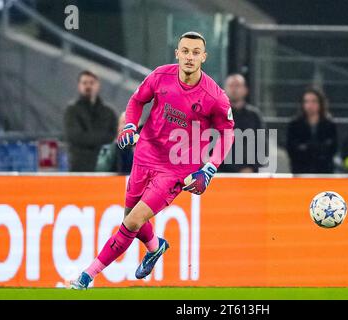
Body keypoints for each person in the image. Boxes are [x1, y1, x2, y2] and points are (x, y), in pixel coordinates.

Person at [70, 32, 235, 289]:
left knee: (132, 221)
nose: (189, 57)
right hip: (145, 154)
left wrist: (209, 169)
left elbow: (227, 133)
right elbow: (137, 101)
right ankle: (156, 247)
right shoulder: (160, 76)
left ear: (204, 57)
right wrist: (129, 127)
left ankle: (86, 276)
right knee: (130, 214)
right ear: (177, 53)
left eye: (195, 52)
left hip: (177, 168)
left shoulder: (214, 96)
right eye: (185, 51)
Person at [64, 70, 117, 172]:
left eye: (91, 83)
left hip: (105, 168)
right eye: (84, 83)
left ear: (98, 85)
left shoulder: (109, 112)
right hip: (79, 168)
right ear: (79, 86)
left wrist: (88, 138)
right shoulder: (72, 111)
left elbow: (112, 138)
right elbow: (75, 137)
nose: (88, 86)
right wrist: (101, 138)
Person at [219, 74, 266, 173]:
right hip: (221, 174)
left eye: (237, 86)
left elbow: (262, 145)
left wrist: (252, 168)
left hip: (249, 175)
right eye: (231, 86)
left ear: (245, 90)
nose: (234, 89)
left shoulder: (254, 116)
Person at [286, 87, 337, 173]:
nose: (310, 105)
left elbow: (332, 148)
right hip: (301, 172)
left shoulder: (329, 124)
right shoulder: (294, 125)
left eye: (314, 101)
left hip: (323, 173)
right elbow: (292, 149)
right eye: (306, 101)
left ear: (320, 103)